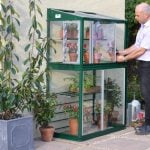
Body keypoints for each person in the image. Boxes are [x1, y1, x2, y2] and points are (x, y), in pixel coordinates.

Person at [117, 2, 150, 135]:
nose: (135, 17)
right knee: (146, 95)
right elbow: (136, 46)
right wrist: (122, 52)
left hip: (148, 65)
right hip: (144, 65)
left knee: (148, 96)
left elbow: (141, 50)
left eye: (137, 15)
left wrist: (124, 58)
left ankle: (148, 125)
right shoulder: (143, 27)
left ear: (146, 15)